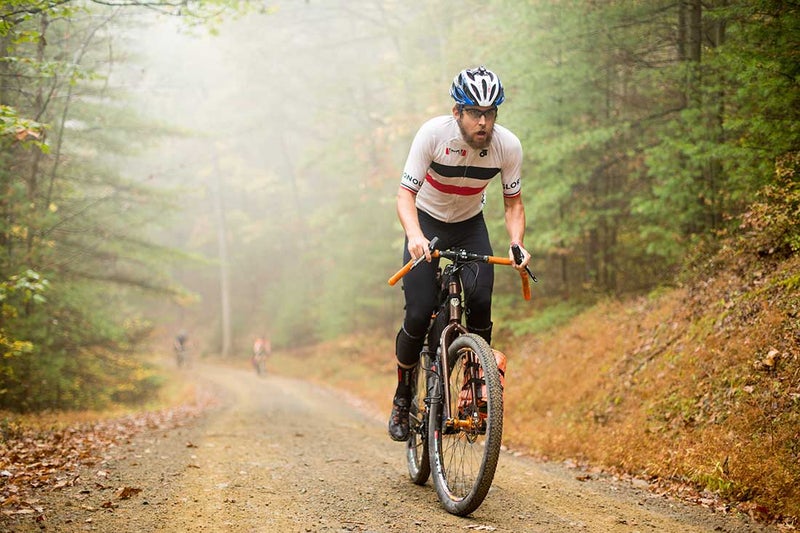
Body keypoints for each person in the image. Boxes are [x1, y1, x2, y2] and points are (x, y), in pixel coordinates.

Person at [388, 66, 531, 441]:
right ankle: (404, 396)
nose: (483, 122)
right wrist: (415, 235)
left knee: (482, 298)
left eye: (490, 113)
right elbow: (405, 196)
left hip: (469, 225)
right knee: (418, 313)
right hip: (427, 223)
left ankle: (474, 382)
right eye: (474, 113)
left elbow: (513, 204)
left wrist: (516, 243)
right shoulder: (433, 135)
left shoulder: (507, 146)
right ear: (458, 112)